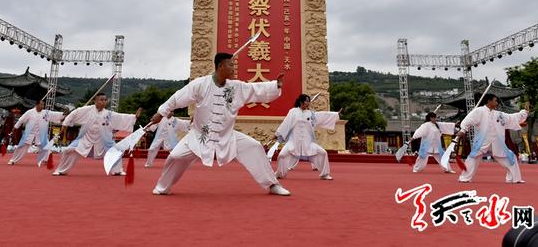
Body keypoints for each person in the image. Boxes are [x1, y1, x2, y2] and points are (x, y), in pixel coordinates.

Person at [149, 52, 290, 196]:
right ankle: (162, 187)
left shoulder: (236, 87)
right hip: (199, 136)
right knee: (175, 157)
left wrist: (275, 85)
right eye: (231, 65)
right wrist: (161, 113)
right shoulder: (200, 84)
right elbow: (177, 98)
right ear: (221, 66)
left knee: (254, 147)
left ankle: (273, 185)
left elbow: (255, 90)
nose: (234, 69)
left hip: (227, 136)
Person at [52, 92, 141, 176]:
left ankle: (117, 171)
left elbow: (121, 117)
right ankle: (61, 170)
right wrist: (65, 124)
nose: (104, 102)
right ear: (96, 101)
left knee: (115, 151)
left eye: (105, 100)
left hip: (103, 140)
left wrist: (133, 117)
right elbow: (74, 114)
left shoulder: (109, 114)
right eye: (101, 100)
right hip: (85, 139)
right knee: (69, 150)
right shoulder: (86, 110)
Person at [454, 93, 529, 183]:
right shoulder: (479, 111)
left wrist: (524, 112)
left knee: (511, 157)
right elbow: (468, 120)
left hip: (497, 142)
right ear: (489, 101)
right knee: (473, 158)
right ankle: (464, 178)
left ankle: (513, 178)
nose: (497, 103)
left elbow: (512, 118)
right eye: (495, 100)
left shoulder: (499, 114)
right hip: (482, 141)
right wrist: (463, 129)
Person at [273, 94, 341, 180]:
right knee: (282, 155)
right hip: (294, 142)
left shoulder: (310, 114)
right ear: (301, 102)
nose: (308, 103)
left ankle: (325, 174)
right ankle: (280, 174)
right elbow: (285, 123)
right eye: (307, 101)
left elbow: (322, 116)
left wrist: (335, 115)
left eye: (309, 101)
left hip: (308, 143)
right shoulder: (293, 112)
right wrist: (277, 134)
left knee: (323, 153)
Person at [7, 99, 65, 165]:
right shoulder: (29, 112)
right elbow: (21, 120)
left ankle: (45, 160)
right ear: (37, 105)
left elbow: (55, 114)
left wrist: (63, 114)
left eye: (43, 105)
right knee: (21, 146)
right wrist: (15, 128)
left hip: (41, 133)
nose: (42, 106)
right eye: (41, 104)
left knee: (46, 146)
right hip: (29, 133)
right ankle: (13, 160)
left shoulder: (46, 113)